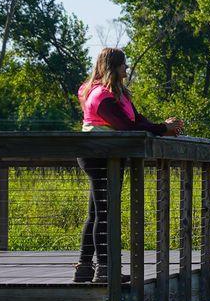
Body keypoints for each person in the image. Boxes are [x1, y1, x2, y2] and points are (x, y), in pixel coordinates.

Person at [74, 47, 183, 284]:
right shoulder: (101, 96)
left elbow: (138, 121)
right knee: (104, 212)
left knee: (96, 212)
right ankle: (104, 270)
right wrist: (164, 129)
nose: (127, 67)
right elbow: (127, 128)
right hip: (98, 156)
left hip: (109, 155)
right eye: (123, 64)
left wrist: (163, 126)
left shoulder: (118, 94)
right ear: (113, 66)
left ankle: (84, 268)